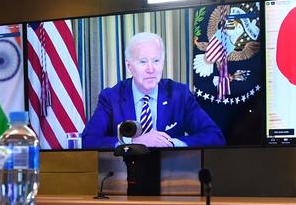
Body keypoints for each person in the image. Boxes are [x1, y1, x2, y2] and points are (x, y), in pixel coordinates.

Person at [81, 32, 225, 149]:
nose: (151, 69)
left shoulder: (179, 95)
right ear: (129, 65)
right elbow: (89, 140)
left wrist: (170, 143)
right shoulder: (111, 97)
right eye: (143, 62)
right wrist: (133, 143)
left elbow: (215, 136)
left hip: (171, 174)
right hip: (122, 174)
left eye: (156, 61)